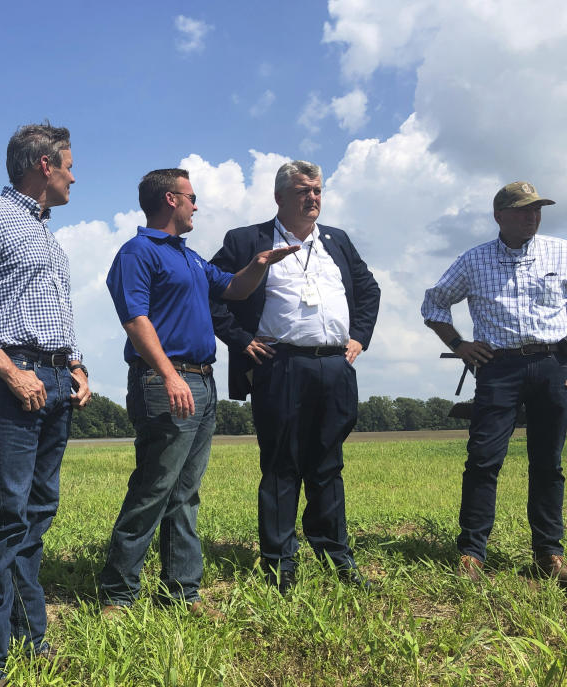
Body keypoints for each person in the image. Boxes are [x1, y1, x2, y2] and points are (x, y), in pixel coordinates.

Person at [99, 169, 299, 616]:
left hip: (203, 382)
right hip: (167, 382)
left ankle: (181, 592)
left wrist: (259, 264)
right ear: (171, 199)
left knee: (185, 493)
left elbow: (232, 287)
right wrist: (170, 376)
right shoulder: (138, 253)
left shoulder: (189, 259)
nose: (196, 206)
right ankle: (118, 594)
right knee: (153, 488)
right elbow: (135, 320)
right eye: (192, 198)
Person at [0, 123, 90, 684]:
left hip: (54, 383)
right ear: (43, 166)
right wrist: (10, 371)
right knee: (7, 520)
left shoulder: (46, 234)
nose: (76, 175)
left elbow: (51, 314)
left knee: (35, 519)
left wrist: (74, 365)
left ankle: (31, 639)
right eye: (69, 164)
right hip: (13, 385)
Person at [210, 160, 380, 593]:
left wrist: (359, 338)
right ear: (279, 197)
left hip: (335, 366)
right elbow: (211, 291)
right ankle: (279, 563)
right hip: (279, 364)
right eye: (304, 191)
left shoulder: (336, 241)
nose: (313, 198)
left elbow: (369, 289)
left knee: (328, 464)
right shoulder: (247, 240)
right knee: (283, 465)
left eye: (318, 191)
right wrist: (240, 339)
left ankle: (334, 553)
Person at [422, 181, 567, 584]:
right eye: (522, 210)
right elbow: (433, 302)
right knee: (484, 459)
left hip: (554, 363)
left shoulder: (560, 251)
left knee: (548, 463)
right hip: (498, 368)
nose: (532, 217)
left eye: (537, 209)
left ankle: (549, 554)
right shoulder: (474, 260)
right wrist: (459, 344)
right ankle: (472, 553)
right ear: (499, 216)